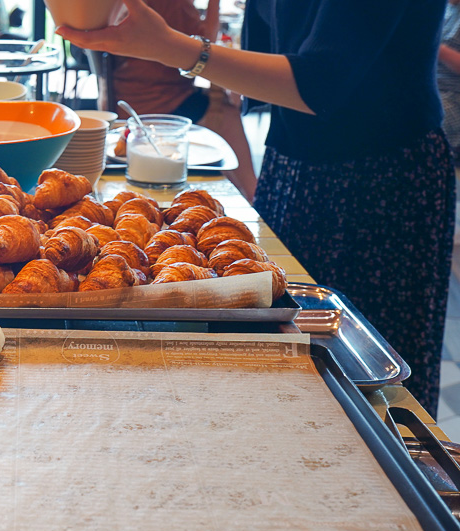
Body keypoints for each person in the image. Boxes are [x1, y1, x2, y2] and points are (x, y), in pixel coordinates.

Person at [59, 0, 456, 414]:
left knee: (371, 387)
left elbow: (323, 80)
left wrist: (173, 47)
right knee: (282, 350)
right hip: (291, 164)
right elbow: (272, 58)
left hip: (380, 181)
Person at [102, 0, 257, 201]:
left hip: (125, 98)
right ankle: (252, 189)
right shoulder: (175, 4)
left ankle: (238, 186)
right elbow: (205, 47)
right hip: (162, 103)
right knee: (227, 112)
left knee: (215, 102)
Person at [439, 0, 460, 159]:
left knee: (422, 126)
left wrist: (438, 50)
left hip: (454, 94)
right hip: (430, 87)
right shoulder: (443, 9)